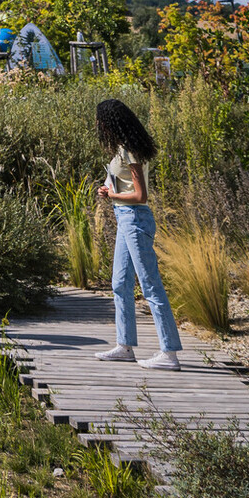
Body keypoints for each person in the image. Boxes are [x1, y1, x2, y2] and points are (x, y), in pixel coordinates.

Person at [93, 98, 182, 371]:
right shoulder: (123, 148)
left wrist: (113, 196)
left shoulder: (130, 151)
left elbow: (140, 195)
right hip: (125, 218)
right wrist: (109, 190)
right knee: (120, 283)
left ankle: (169, 354)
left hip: (135, 219)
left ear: (110, 123)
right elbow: (125, 185)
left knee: (150, 284)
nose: (98, 125)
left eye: (100, 121)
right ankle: (125, 346)